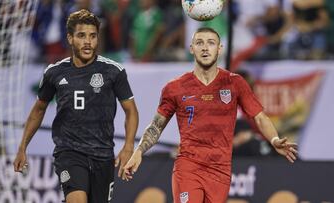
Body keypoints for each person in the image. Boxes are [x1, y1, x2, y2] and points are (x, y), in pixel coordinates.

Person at [123, 27, 297, 203]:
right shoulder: (175, 88)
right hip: (188, 167)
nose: (205, 48)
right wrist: (139, 151)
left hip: (220, 171)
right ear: (191, 48)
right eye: (199, 43)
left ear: (219, 49)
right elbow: (156, 125)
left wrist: (274, 139)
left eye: (211, 43)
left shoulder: (234, 83)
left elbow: (259, 116)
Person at [13, 9, 139, 203]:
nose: (88, 42)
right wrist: (22, 147)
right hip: (69, 152)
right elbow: (38, 110)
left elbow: (131, 111)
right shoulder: (54, 73)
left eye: (93, 36)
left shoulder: (114, 71)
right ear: (70, 38)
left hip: (103, 154)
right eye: (81, 36)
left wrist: (128, 146)